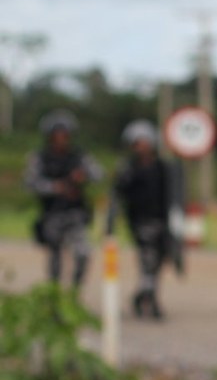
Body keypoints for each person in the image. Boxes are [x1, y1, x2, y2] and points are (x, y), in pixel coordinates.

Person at [106, 119, 183, 320]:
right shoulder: (128, 169)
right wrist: (110, 223)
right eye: (137, 143)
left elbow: (175, 195)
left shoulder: (163, 167)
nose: (142, 147)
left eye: (145, 142)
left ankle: (142, 296)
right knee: (148, 261)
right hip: (140, 223)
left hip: (162, 222)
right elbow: (116, 196)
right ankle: (151, 300)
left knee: (159, 262)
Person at [23, 109, 104, 290]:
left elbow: (99, 174)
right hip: (52, 214)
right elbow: (30, 183)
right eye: (57, 135)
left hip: (75, 213)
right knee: (55, 260)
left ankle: (73, 293)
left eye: (65, 135)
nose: (61, 138)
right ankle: (55, 297)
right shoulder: (39, 158)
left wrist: (83, 175)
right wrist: (55, 187)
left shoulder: (79, 156)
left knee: (83, 254)